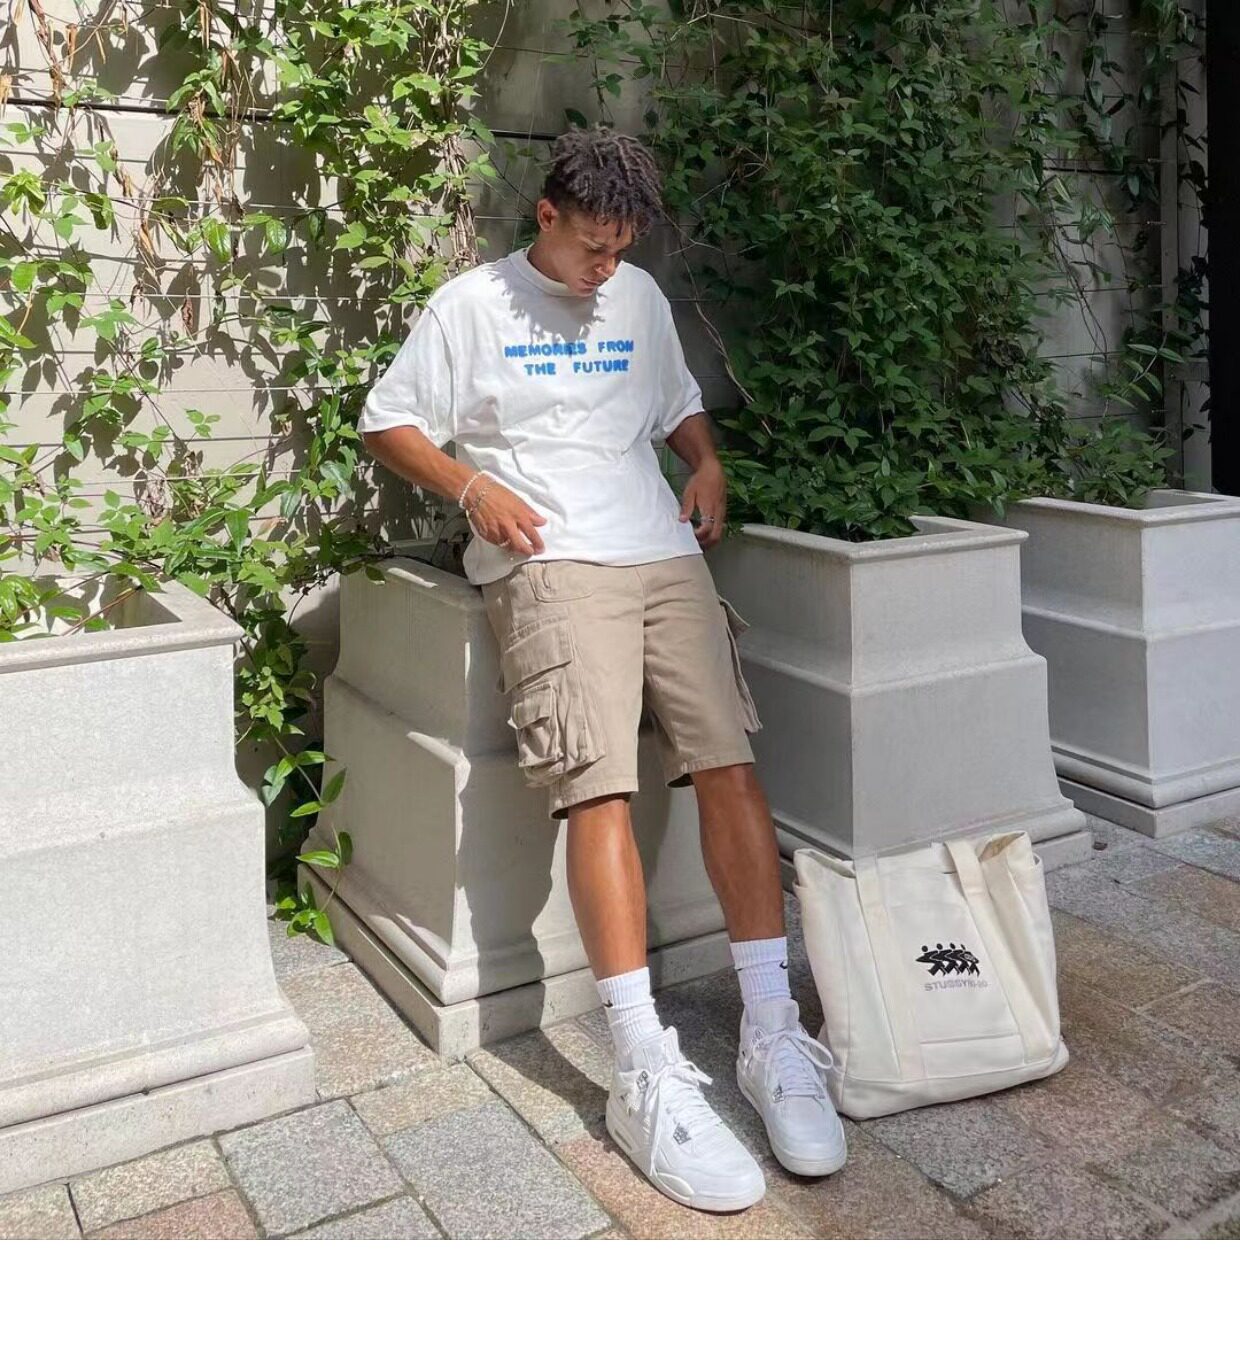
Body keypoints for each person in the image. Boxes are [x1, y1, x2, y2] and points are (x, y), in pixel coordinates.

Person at [358, 125, 845, 1212]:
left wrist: (705, 462)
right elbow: (386, 422)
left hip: (660, 550)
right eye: (590, 245)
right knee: (598, 787)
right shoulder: (471, 306)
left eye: (621, 249)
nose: (604, 267)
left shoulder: (637, 298)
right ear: (546, 216)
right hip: (549, 557)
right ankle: (641, 1064)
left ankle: (771, 1033)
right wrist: (472, 488)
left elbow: (675, 405)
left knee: (730, 764)